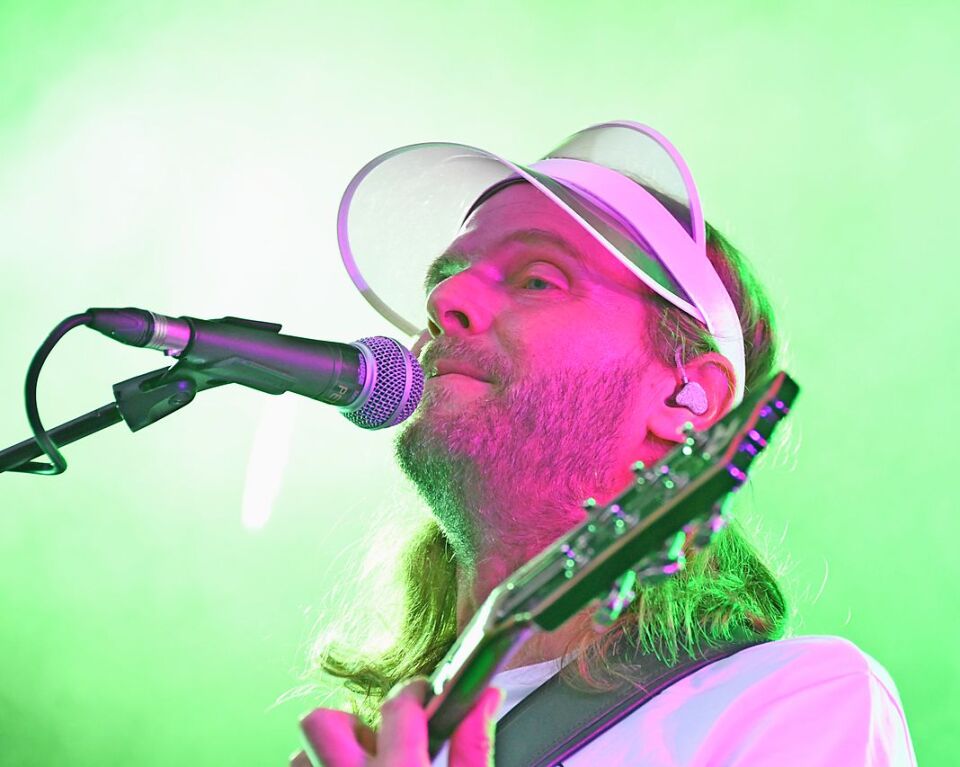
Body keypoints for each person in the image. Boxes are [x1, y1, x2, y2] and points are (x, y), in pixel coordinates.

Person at [292, 122, 917, 766]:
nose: (445, 298)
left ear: (687, 397)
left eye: (538, 279)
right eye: (443, 283)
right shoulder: (393, 740)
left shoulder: (792, 701)